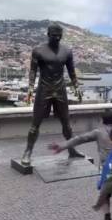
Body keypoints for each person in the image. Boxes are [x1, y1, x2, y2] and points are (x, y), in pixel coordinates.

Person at [21, 23, 84, 165]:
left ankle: (72, 150)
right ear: (48, 34)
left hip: (60, 89)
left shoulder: (67, 51)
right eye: (54, 35)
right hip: (44, 89)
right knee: (35, 124)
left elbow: (71, 71)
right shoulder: (38, 50)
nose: (57, 38)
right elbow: (33, 71)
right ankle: (28, 152)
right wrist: (30, 88)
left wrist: (76, 86)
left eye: (59, 35)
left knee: (66, 123)